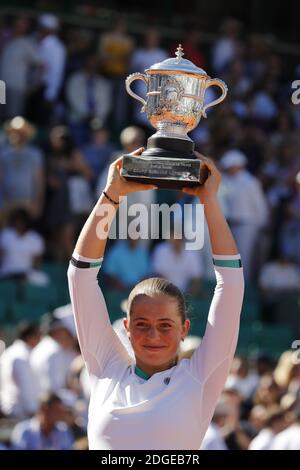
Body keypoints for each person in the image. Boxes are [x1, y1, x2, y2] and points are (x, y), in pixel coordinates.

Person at [67, 148, 244, 450]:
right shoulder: (107, 366)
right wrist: (111, 195)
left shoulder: (201, 376)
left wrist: (209, 200)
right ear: (126, 326)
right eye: (142, 324)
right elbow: (80, 276)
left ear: (184, 328)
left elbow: (231, 282)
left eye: (165, 325)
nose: (153, 335)